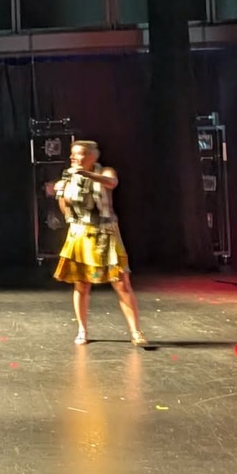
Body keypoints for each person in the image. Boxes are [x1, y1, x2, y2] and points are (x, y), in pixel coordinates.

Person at [54, 139, 145, 346]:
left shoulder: (105, 172)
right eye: (72, 154)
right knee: (82, 284)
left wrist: (84, 174)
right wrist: (61, 191)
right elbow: (66, 210)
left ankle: (136, 331)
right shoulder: (68, 177)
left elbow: (111, 183)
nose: (72, 157)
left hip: (106, 233)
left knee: (122, 283)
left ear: (91, 157)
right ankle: (82, 330)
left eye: (77, 154)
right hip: (81, 233)